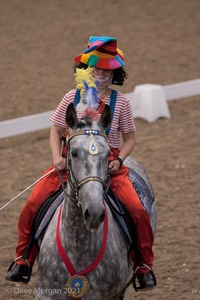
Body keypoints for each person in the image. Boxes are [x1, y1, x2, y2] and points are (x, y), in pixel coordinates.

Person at [6, 36, 156, 291]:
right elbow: (55, 131)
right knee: (33, 203)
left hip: (108, 164)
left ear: (114, 73)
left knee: (137, 210)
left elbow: (129, 138)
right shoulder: (70, 97)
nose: (101, 74)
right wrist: (57, 158)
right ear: (88, 70)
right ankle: (23, 259)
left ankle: (143, 265)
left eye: (107, 71)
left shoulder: (121, 102)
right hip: (71, 163)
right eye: (97, 69)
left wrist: (119, 160)